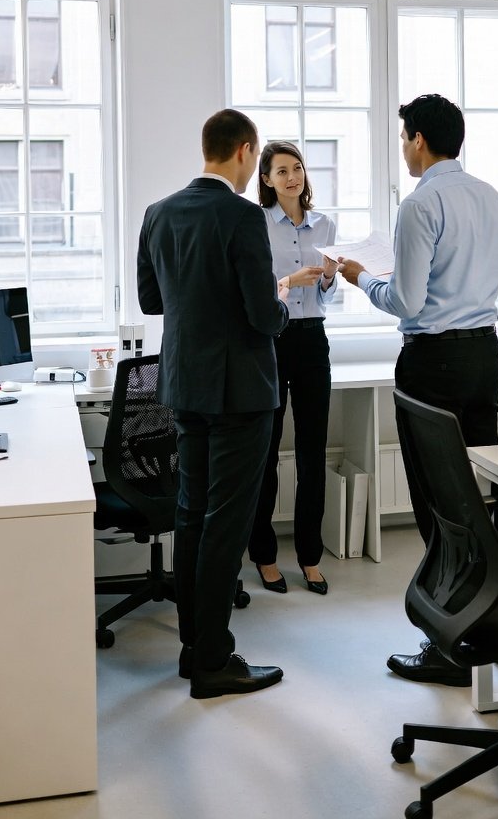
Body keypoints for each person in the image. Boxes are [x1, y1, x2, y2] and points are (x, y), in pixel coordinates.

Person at [338, 93, 498, 687]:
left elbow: (407, 302)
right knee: (485, 487)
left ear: (417, 139)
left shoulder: (421, 204)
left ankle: (448, 641)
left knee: (440, 501)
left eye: (403, 139)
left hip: (433, 361)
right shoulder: (493, 199)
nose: (403, 150)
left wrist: (363, 278)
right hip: (483, 355)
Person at [137, 108, 289, 699]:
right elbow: (261, 317)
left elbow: (154, 301)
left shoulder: (159, 213)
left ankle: (193, 649)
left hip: (183, 387)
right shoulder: (243, 216)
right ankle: (214, 661)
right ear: (246, 152)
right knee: (226, 523)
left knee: (191, 514)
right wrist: (278, 301)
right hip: (241, 393)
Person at [248, 140, 338, 596]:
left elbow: (327, 296)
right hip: (271, 340)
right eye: (281, 170)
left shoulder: (324, 223)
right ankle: (264, 555)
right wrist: (288, 281)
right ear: (266, 179)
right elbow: (255, 290)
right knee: (265, 453)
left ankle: (309, 556)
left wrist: (325, 277)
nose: (291, 177)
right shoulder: (256, 223)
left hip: (312, 339)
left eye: (297, 167)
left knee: (312, 452)